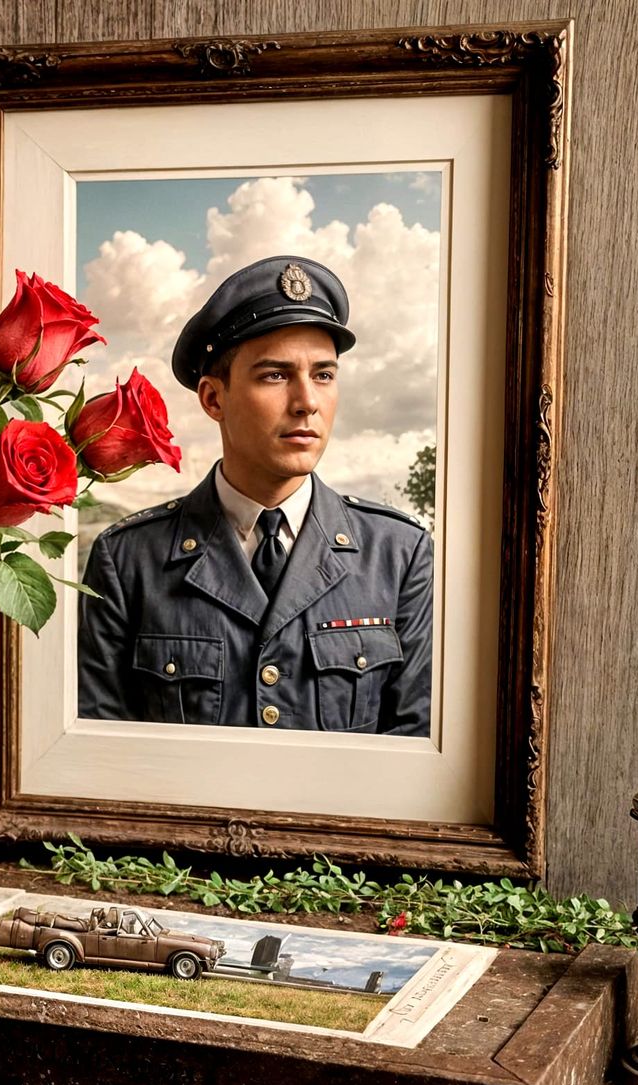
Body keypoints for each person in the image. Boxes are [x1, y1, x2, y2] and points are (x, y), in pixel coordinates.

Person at [77, 255, 432, 735]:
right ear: (213, 399)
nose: (307, 401)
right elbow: (101, 759)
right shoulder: (128, 561)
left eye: (324, 375)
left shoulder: (399, 555)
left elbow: (416, 750)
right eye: (276, 375)